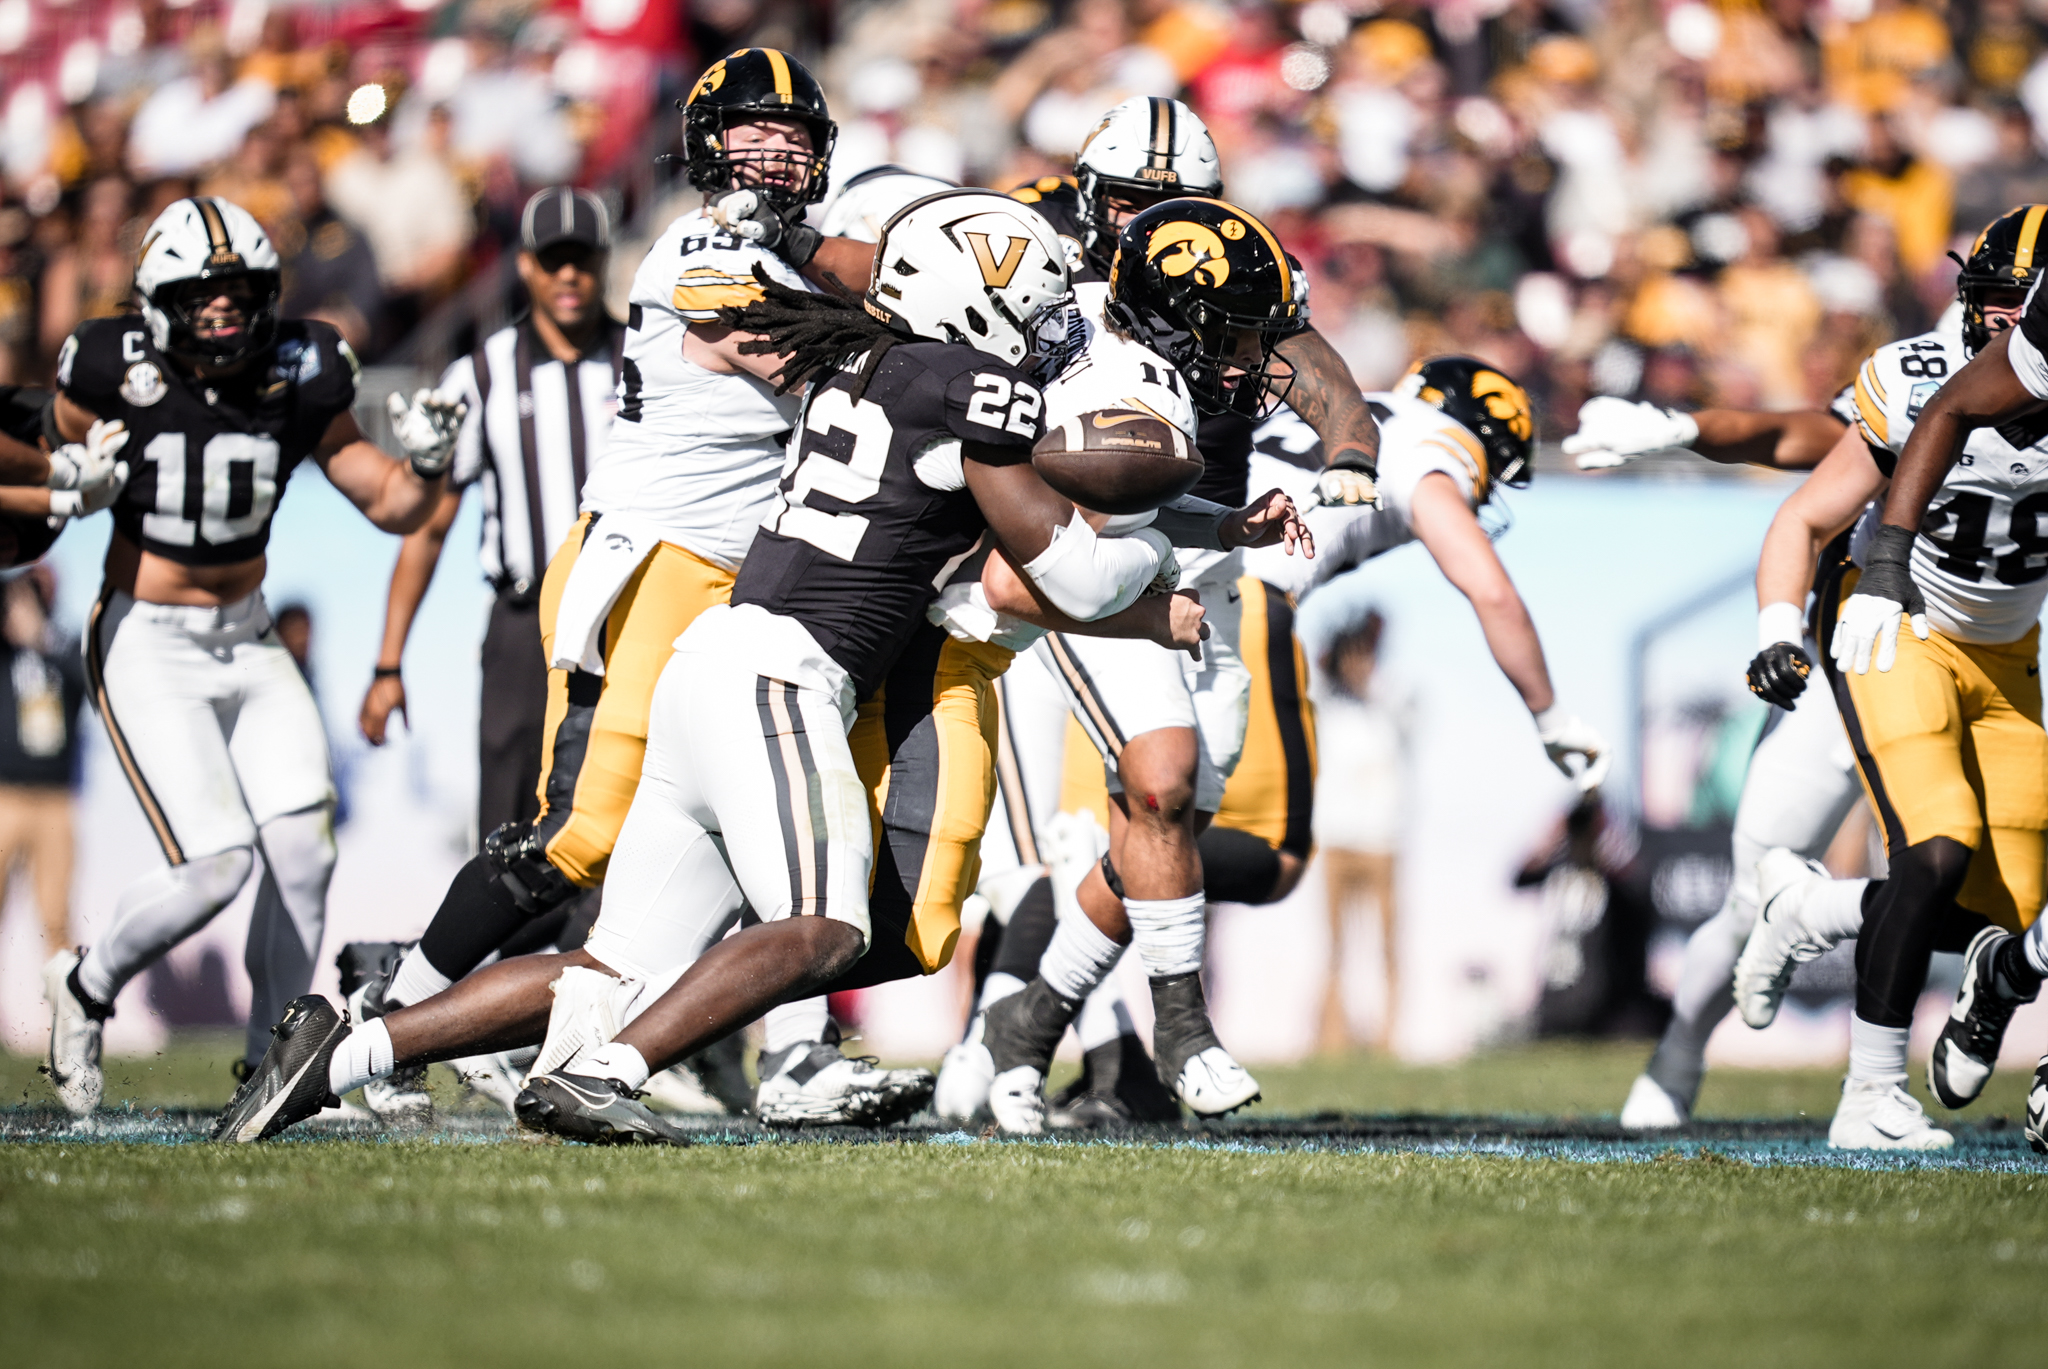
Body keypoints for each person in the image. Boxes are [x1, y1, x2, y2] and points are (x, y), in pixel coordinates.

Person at [211, 189, 1292, 1145]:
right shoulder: (971, 386)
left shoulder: (871, 361)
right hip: (782, 681)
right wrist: (1162, 572)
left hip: (714, 665)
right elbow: (1073, 575)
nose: (1056, 324)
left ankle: (342, 1049)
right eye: (1037, 304)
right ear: (970, 305)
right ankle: (607, 1074)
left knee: (612, 970)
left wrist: (1204, 524)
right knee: (828, 928)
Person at [314, 50, 946, 1129]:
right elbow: (802, 362)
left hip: (749, 574)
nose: (776, 149)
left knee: (776, 819)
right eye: (753, 130)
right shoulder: (699, 250)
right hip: (658, 557)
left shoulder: (790, 255)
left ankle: (794, 1056)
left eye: (794, 133)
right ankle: (377, 1017)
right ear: (705, 146)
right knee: (579, 833)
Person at [39, 195, 463, 1114]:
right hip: (146, 638)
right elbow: (38, 461)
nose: (225, 313)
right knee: (216, 865)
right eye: (204, 296)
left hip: (250, 634)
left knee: (305, 851)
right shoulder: (111, 361)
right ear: (160, 304)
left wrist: (427, 464)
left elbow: (390, 503)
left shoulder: (302, 367)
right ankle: (85, 984)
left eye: (240, 294)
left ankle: (275, 1064)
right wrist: (70, 479)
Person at [1724, 205, 2048, 1150]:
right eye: (1996, 302)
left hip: (2007, 653)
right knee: (1935, 852)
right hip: (1895, 624)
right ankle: (1868, 1093)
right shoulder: (1916, 378)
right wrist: (1778, 627)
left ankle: (1806, 907)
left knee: (2007, 920)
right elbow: (1805, 517)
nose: (2005, 323)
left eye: (2023, 305)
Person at [0, 568, 86, 970]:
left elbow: (90, 682)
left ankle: (63, 1005)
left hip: (56, 799)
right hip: (6, 795)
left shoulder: (65, 644)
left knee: (56, 917)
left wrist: (41, 638)